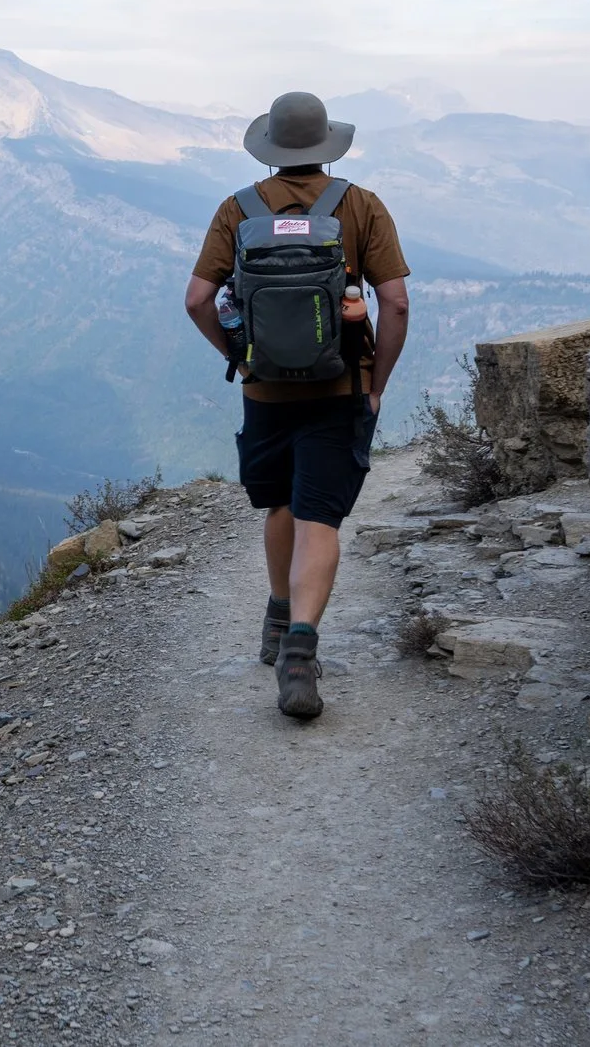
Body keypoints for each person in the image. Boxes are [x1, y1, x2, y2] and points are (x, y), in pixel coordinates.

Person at [185, 91, 410, 720]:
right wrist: (376, 379)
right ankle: (301, 652)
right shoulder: (360, 206)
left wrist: (240, 355)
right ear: (328, 150)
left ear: (272, 149)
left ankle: (278, 617)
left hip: (265, 391)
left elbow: (197, 300)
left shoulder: (238, 209)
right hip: (339, 388)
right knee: (321, 518)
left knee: (281, 502)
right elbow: (394, 304)